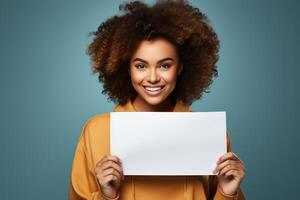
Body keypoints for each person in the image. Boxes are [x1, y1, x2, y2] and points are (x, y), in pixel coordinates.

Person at [69, 0, 246, 199]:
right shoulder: (96, 131)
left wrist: (227, 192)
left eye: (164, 65)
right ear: (127, 68)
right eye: (141, 66)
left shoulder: (210, 134)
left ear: (180, 67)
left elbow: (225, 190)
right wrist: (107, 195)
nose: (152, 78)